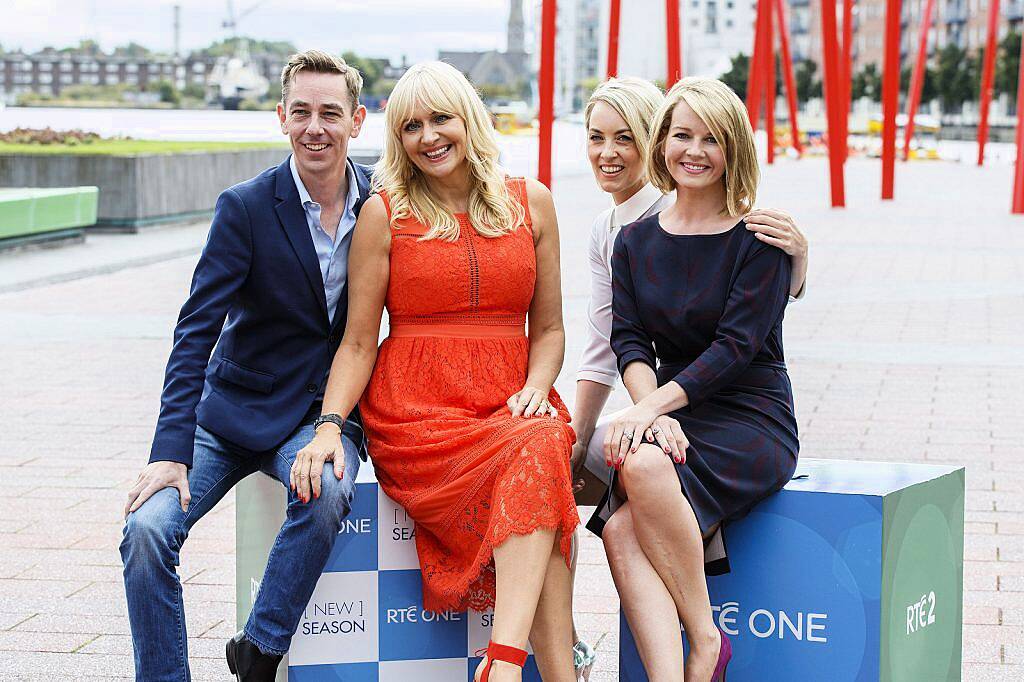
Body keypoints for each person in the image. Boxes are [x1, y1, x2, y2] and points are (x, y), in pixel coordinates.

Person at [291, 61, 579, 682]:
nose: (428, 137)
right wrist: (328, 425)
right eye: (411, 126)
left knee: (542, 439)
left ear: (469, 119)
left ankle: (513, 666)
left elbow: (550, 330)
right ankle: (516, 666)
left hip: (513, 397)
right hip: (419, 409)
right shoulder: (384, 213)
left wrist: (534, 387)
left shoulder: (534, 203)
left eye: (440, 118)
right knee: (542, 456)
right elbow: (361, 341)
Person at [119, 50, 371, 682]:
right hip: (231, 412)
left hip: (319, 416)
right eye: (303, 112)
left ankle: (257, 650)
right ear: (281, 117)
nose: (317, 127)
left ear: (358, 121)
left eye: (331, 113)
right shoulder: (246, 207)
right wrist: (169, 448)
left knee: (328, 492)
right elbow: (194, 331)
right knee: (147, 531)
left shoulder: (382, 205)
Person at [566, 77, 810, 679]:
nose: (694, 150)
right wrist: (653, 410)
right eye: (681, 135)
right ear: (663, 143)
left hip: (751, 414)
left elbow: (736, 349)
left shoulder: (760, 239)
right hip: (674, 407)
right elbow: (628, 341)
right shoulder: (633, 241)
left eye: (711, 138)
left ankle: (703, 638)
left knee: (641, 464)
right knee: (619, 529)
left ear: (734, 149)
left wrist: (650, 415)